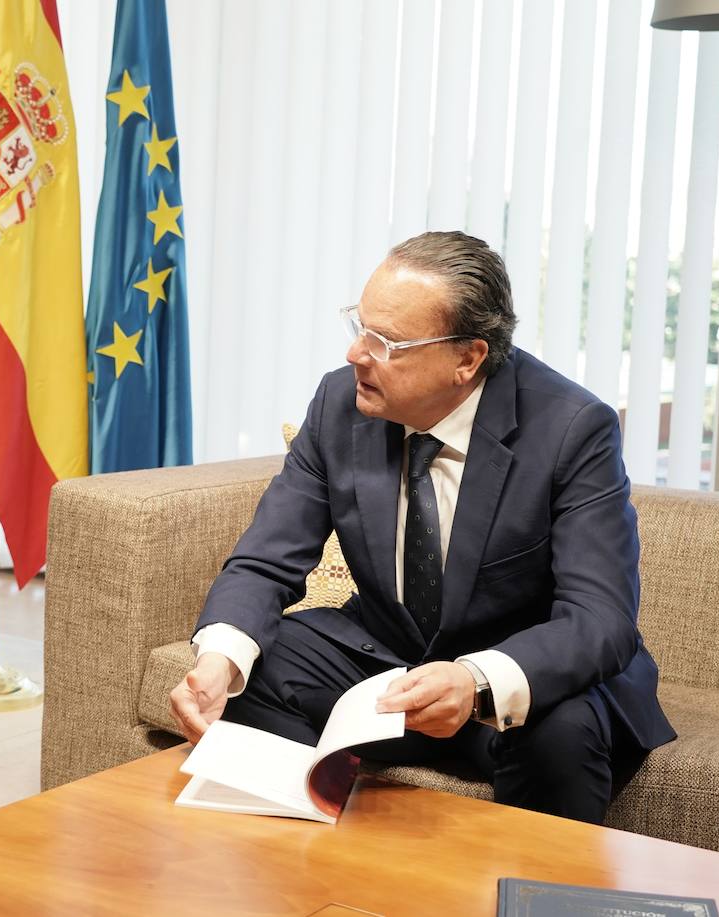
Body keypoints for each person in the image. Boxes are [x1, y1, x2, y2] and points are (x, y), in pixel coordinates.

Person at [169, 230, 675, 824]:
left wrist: (475, 680)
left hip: (515, 676)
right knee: (249, 671)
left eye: (388, 342)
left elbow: (599, 618)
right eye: (360, 326)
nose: (358, 353)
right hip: (392, 659)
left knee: (563, 733)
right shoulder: (340, 403)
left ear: (468, 358)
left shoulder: (570, 428)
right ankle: (327, 856)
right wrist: (218, 661)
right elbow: (267, 559)